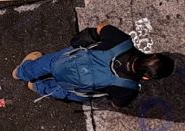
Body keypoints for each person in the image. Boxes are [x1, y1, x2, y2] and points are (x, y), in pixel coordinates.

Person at [15, 23, 174, 107]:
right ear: (146, 77)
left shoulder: (122, 42)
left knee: (47, 63)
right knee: (65, 91)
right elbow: (116, 104)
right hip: (78, 86)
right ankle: (36, 87)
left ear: (150, 54)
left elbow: (101, 28)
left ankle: (21, 73)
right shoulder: (128, 89)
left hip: (67, 61)